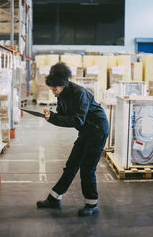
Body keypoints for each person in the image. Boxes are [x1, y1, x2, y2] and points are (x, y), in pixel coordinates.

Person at [36, 62, 109, 217]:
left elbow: (77, 121)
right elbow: (63, 114)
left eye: (55, 89)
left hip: (97, 131)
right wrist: (51, 115)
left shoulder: (79, 93)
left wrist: (53, 118)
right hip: (85, 131)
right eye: (52, 90)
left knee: (87, 168)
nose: (54, 93)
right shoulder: (62, 95)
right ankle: (54, 199)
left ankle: (92, 203)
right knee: (71, 165)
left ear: (63, 84)